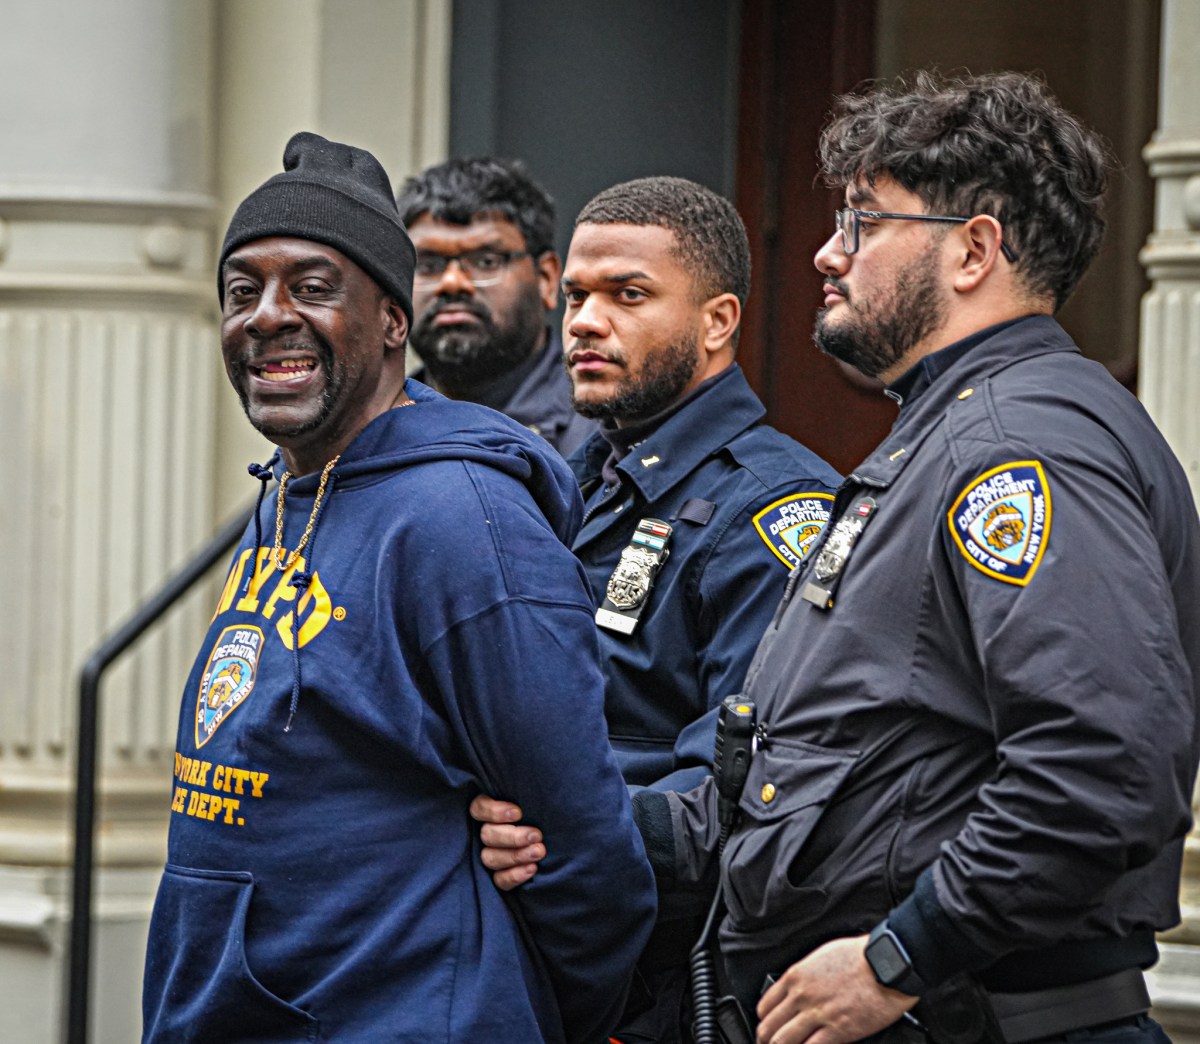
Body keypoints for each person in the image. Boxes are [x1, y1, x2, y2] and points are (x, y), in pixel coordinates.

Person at [478, 73, 1200, 1044]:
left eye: (863, 222)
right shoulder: (942, 436)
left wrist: (899, 957)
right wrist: (580, 822)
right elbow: (815, 767)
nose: (827, 251)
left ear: (974, 249)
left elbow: (1101, 768)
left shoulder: (1021, 447)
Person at [140, 131, 655, 1044]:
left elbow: (580, 843)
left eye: (310, 286)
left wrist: (527, 1015)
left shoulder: (464, 521)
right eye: (241, 290)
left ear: (392, 320)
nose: (266, 315)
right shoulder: (289, 491)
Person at [475, 175, 840, 1043]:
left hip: (685, 982)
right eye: (576, 297)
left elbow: (762, 788)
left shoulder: (775, 509)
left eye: (628, 296)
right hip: (561, 953)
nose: (584, 322)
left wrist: (550, 821)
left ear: (717, 322)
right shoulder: (582, 486)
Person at [397, 156, 595, 454]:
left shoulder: (603, 429)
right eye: (427, 265)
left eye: (486, 261)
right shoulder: (374, 426)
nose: (452, 282)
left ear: (547, 278)